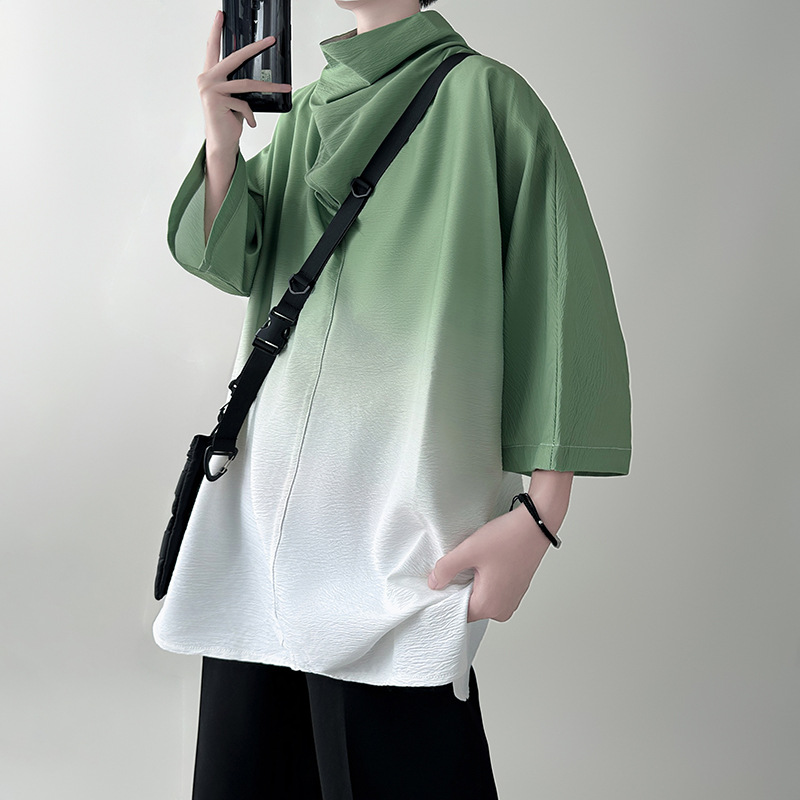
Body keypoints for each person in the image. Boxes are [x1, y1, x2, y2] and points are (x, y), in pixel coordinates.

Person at [152, 0, 633, 797]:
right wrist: (221, 141)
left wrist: (541, 516)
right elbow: (230, 259)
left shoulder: (489, 101)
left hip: (397, 534)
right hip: (262, 521)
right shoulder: (306, 109)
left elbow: (560, 299)